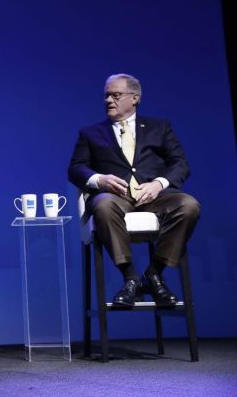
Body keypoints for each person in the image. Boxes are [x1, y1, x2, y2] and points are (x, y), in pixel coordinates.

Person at [68, 73, 200, 306]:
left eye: (115, 95)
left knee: (188, 205)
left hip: (154, 196)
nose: (109, 100)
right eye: (106, 95)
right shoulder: (90, 133)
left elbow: (180, 163)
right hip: (116, 197)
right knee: (103, 204)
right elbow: (76, 169)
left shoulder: (160, 128)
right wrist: (100, 180)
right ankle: (130, 279)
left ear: (135, 98)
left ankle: (154, 274)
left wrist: (159, 183)